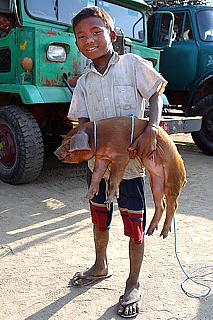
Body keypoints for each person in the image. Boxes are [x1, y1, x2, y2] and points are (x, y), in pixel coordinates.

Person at [67, 6, 167, 318]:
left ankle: (133, 282)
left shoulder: (133, 64)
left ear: (112, 35)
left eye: (96, 32)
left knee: (134, 225)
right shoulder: (84, 83)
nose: (89, 39)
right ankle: (100, 265)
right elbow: (82, 123)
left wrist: (151, 129)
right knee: (99, 217)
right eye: (82, 36)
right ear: (77, 43)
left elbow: (155, 94)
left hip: (132, 167)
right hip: (98, 165)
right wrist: (78, 144)